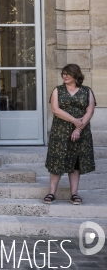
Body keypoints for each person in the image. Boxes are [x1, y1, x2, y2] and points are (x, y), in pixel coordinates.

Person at [44, 64, 95, 205]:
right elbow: (55, 109)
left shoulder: (87, 91)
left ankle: (74, 194)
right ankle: (51, 193)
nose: (65, 76)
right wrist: (74, 121)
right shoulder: (57, 90)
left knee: (76, 163)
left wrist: (78, 128)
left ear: (76, 75)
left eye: (68, 73)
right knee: (57, 161)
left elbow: (89, 111)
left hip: (80, 132)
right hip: (60, 131)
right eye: (63, 74)